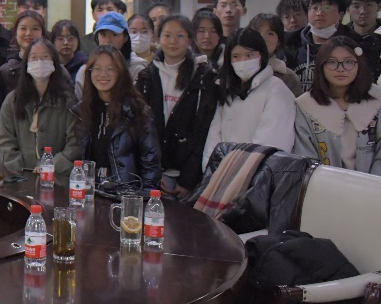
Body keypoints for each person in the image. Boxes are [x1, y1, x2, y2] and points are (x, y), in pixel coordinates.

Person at [134, 15, 218, 196]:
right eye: (167, 35)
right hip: (152, 171)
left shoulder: (203, 77)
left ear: (190, 39)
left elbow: (203, 132)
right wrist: (152, 170)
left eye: (180, 36)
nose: (173, 41)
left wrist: (188, 179)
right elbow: (140, 128)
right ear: (158, 39)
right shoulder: (147, 76)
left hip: (186, 175)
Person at [202, 28, 296, 169]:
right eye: (236, 56)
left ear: (261, 55)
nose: (243, 61)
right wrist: (211, 172)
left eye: (250, 55)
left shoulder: (276, 90)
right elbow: (214, 139)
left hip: (257, 175)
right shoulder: (228, 91)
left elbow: (271, 145)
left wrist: (242, 174)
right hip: (222, 174)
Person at [76, 45, 161, 191]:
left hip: (125, 193)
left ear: (121, 73)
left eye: (110, 69)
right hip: (89, 190)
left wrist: (145, 196)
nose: (103, 74)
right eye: (97, 68)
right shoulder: (81, 110)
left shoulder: (136, 111)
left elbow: (151, 161)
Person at [293, 36, 381, 174]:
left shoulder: (377, 98)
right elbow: (305, 158)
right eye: (332, 62)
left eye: (348, 62)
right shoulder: (306, 105)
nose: (341, 69)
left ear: (359, 64)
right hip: (324, 184)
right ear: (321, 65)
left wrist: (371, 183)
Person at [0, 38, 79, 180]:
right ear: (26, 63)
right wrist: (19, 169)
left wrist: (52, 165)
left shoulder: (67, 101)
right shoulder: (13, 100)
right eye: (34, 58)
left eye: (45, 57)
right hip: (20, 177)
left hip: (58, 178)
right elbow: (4, 141)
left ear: (54, 62)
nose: (40, 62)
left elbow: (75, 142)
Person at [289, 0, 354, 93]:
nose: (319, 13)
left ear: (341, 15)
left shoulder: (354, 44)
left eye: (327, 8)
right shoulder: (292, 43)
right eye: (315, 8)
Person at [74, 12, 146, 93]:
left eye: (114, 34)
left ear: (125, 37)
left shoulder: (136, 68)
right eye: (103, 34)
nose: (108, 40)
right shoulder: (85, 70)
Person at [248, 13, 303, 96]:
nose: (263, 38)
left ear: (278, 42)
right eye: (257, 32)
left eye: (270, 34)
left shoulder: (288, 77)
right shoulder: (237, 70)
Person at [0, 10, 46, 95]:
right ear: (15, 33)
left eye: (35, 28)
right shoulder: (5, 72)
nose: (28, 33)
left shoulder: (53, 67)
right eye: (23, 28)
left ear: (43, 34)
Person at [345, 0, 381, 82]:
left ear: (379, 7)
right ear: (347, 9)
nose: (363, 11)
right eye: (356, 6)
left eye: (369, 5)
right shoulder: (341, 36)